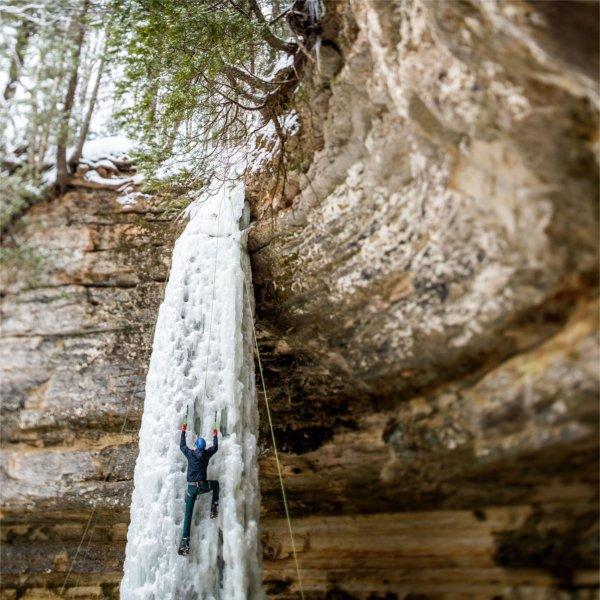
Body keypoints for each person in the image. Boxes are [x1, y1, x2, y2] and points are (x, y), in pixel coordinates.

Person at [178, 422, 220, 556]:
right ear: (204, 447)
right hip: (202, 486)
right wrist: (215, 435)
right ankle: (214, 505)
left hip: (191, 489)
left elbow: (182, 446)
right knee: (216, 485)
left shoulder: (191, 454)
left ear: (196, 447)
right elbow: (216, 447)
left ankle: (185, 543)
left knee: (188, 516)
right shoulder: (206, 454)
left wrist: (183, 431)